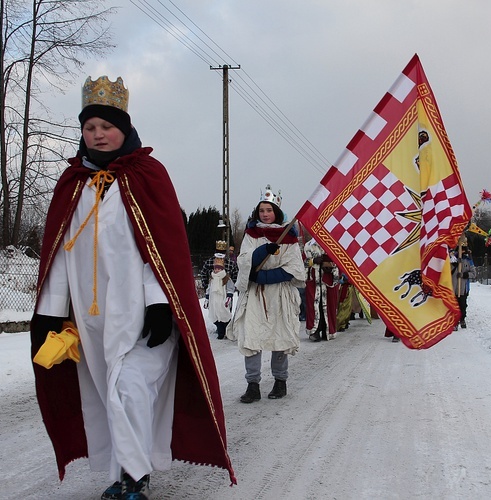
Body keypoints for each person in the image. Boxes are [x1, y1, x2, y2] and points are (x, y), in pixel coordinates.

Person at [30, 75, 235, 499]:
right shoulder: (73, 185)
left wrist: (161, 303)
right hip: (92, 319)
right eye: (90, 128)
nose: (98, 135)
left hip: (143, 314)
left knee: (129, 387)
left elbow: (157, 250)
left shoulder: (146, 176)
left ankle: (134, 478)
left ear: (124, 128)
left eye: (106, 126)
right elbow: (59, 254)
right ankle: (123, 471)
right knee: (106, 394)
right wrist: (49, 311)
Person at [227, 186, 305, 403]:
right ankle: (253, 385)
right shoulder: (252, 234)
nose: (265, 214)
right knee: (251, 337)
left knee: (279, 337)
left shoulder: (288, 237)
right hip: (255, 294)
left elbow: (296, 268)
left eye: (269, 210)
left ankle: (280, 382)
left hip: (279, 294)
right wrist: (259, 253)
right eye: (261, 210)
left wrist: (269, 277)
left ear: (276, 212)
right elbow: (243, 260)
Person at [200, 240, 238, 339]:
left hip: (226, 292)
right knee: (214, 311)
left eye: (222, 252)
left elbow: (235, 276)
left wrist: (233, 289)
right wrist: (206, 286)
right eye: (218, 251)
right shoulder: (209, 262)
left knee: (225, 311)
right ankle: (219, 327)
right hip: (213, 292)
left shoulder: (230, 263)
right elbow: (203, 273)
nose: (220, 254)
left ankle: (226, 328)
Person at [304, 238, 340, 341]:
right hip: (313, 282)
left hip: (328, 282)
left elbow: (340, 262)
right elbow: (300, 263)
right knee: (314, 306)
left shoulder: (333, 244)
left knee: (329, 306)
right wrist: (312, 261)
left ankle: (328, 331)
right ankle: (314, 331)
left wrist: (331, 266)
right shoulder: (308, 246)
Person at [451, 244, 476, 330]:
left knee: (462, 305)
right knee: (454, 305)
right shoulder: (452, 260)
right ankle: (455, 322)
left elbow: (474, 274)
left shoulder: (469, 261)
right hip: (453, 287)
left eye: (463, 251)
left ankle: (462, 319)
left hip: (463, 288)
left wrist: (464, 275)